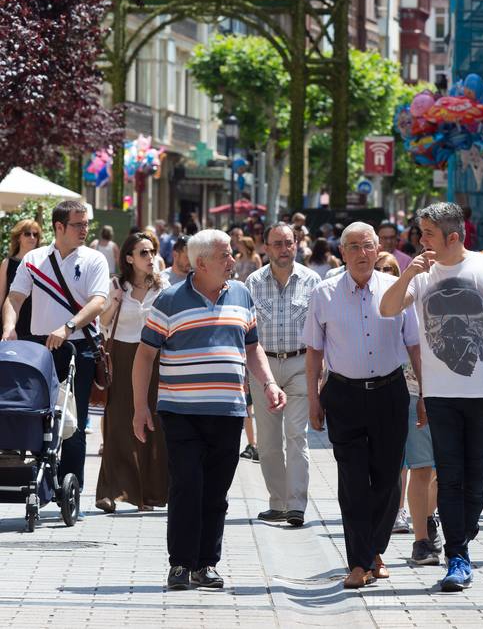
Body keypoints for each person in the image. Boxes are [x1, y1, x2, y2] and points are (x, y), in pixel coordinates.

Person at [132, 229, 286, 590]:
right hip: (180, 411)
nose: (233, 261)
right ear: (201, 263)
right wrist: (140, 407)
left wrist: (268, 383)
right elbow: (144, 356)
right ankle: (181, 564)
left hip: (229, 411)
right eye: (225, 256)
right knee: (187, 485)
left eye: (232, 254)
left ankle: (206, 564)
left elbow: (252, 348)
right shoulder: (169, 300)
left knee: (216, 491)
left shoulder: (242, 295)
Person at [380, 202, 483, 593]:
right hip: (439, 394)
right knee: (450, 474)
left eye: (427, 234)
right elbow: (387, 308)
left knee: (477, 477)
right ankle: (457, 554)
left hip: (482, 392)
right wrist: (408, 271)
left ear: (453, 237)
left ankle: (463, 533)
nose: (419, 240)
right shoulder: (422, 275)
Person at [304, 222, 420, 590]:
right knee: (353, 481)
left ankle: (374, 550)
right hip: (344, 394)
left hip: (389, 392)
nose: (361, 253)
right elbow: (314, 351)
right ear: (342, 253)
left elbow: (415, 345)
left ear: (377, 250)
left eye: (367, 246)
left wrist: (426, 396)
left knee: (386, 479)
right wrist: (312, 400)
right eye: (352, 246)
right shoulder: (323, 294)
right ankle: (359, 561)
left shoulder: (396, 289)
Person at [3, 200, 109, 492]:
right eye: (78, 224)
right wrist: (9, 327)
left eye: (86, 224)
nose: (84, 229)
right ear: (59, 227)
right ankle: (41, 481)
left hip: (80, 347)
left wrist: (68, 326)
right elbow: (14, 298)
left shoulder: (94, 259)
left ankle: (69, 488)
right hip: (40, 350)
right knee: (37, 416)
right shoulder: (35, 259)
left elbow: (99, 301)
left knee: (73, 420)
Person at [246, 222, 320, 527]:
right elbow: (246, 331)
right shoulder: (251, 283)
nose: (283, 249)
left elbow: (322, 331)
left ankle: (296, 506)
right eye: (276, 243)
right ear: (265, 248)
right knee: (268, 441)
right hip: (264, 368)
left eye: (288, 243)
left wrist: (322, 373)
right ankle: (277, 502)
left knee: (296, 436)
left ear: (297, 245)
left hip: (300, 365)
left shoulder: (313, 281)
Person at [376, 251, 443, 564]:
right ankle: (421, 536)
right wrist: (406, 276)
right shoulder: (412, 285)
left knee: (442, 468)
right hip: (412, 390)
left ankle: (430, 518)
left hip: (453, 388)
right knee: (420, 465)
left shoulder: (472, 274)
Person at [95, 232, 169, 513]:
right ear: (129, 258)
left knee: (154, 424)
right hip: (123, 356)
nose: (150, 258)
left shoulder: (164, 287)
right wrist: (114, 301)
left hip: (156, 358)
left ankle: (150, 494)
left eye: (152, 252)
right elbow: (102, 322)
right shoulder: (117, 285)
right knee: (118, 424)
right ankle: (112, 491)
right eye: (143, 253)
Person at [0, 218, 42, 341]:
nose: (32, 237)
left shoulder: (43, 263)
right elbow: (2, 295)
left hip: (36, 320)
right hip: (12, 319)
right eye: (27, 233)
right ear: (18, 237)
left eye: (36, 234)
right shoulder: (7, 263)